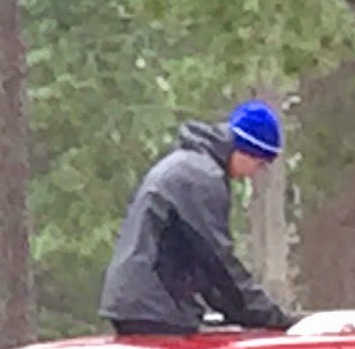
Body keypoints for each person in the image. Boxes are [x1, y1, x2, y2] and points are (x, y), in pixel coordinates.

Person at [99, 100, 298, 335]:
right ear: (245, 150)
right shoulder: (202, 179)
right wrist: (269, 317)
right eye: (260, 163)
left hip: (140, 301)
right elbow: (218, 263)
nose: (255, 173)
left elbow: (203, 266)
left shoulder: (186, 165)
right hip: (157, 307)